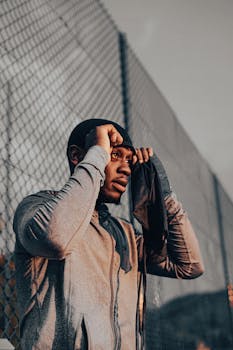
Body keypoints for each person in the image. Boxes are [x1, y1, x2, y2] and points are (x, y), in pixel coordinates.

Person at [13, 118, 204, 350]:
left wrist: (163, 192)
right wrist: (97, 154)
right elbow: (55, 238)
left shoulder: (124, 235)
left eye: (129, 161)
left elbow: (189, 265)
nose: (125, 168)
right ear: (77, 156)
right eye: (114, 156)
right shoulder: (38, 207)